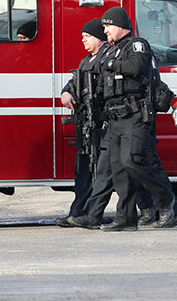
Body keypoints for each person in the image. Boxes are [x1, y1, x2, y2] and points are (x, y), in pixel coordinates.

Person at [95, 6, 177, 231]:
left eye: (107, 26)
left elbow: (137, 66)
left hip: (135, 115)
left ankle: (166, 202)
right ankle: (125, 219)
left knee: (133, 161)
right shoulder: (111, 50)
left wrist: (112, 65)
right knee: (119, 170)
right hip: (115, 118)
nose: (104, 30)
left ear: (119, 25)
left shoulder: (137, 45)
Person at [55, 19, 110, 227]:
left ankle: (88, 213)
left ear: (98, 37)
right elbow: (75, 82)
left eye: (87, 37)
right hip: (86, 123)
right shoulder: (86, 61)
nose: (83, 41)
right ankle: (78, 211)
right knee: (83, 170)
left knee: (103, 171)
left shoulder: (106, 59)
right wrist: (66, 92)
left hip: (101, 123)